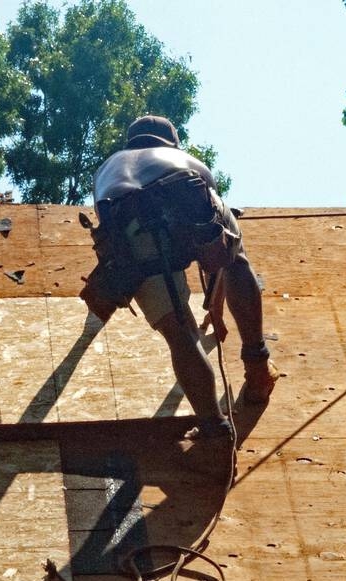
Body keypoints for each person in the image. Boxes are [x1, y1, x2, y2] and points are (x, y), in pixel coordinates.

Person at [84, 115, 278, 443]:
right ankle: (258, 365)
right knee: (237, 260)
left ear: (130, 142)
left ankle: (214, 429)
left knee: (180, 332)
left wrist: (212, 304)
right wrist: (216, 302)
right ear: (172, 143)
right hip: (186, 189)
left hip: (129, 224)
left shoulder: (109, 167)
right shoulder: (183, 159)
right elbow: (214, 242)